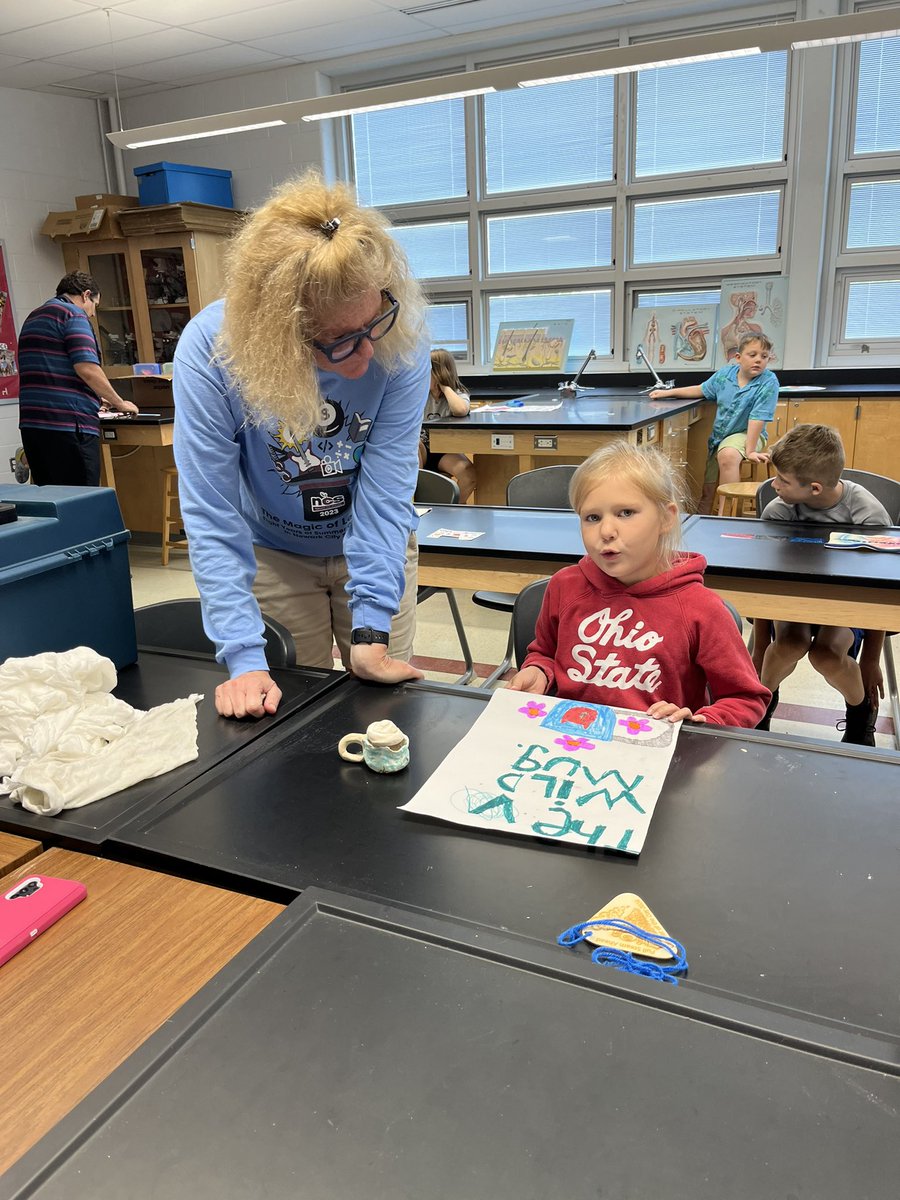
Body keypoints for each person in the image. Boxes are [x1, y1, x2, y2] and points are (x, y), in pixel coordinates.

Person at [173, 171, 431, 720]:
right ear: (278, 333)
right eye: (336, 342)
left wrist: (370, 626)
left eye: (372, 325)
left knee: (385, 715)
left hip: (376, 543)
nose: (364, 358)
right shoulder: (212, 351)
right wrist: (244, 657)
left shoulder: (401, 345)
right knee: (288, 716)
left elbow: (386, 495)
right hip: (274, 551)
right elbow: (211, 514)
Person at [507, 442, 770, 728]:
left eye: (626, 513)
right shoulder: (564, 586)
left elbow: (745, 698)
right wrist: (539, 671)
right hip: (571, 741)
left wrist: (700, 722)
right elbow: (545, 652)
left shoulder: (702, 610)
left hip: (655, 758)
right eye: (592, 518)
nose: (606, 531)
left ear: (666, 517)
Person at [754, 424, 889, 744]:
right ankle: (760, 707)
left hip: (847, 604)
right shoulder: (778, 512)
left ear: (814, 488)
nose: (774, 485)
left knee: (827, 654)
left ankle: (860, 717)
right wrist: (759, 646)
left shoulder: (868, 516)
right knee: (787, 645)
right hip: (792, 601)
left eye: (783, 480)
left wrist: (870, 658)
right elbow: (764, 582)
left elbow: (879, 591)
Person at [18, 271, 138, 485]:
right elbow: (87, 368)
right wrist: (121, 403)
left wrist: (97, 397)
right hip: (68, 426)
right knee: (82, 502)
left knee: (54, 502)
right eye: (94, 306)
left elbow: (52, 371)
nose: (92, 314)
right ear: (86, 295)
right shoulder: (73, 315)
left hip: (33, 425)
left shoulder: (34, 316)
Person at [649, 332, 778, 513]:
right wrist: (668, 393)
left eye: (764, 356)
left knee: (728, 455)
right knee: (709, 489)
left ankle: (728, 516)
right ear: (738, 358)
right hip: (719, 437)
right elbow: (701, 389)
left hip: (748, 434)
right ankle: (703, 518)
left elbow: (757, 418)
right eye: (753, 355)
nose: (759, 360)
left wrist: (750, 450)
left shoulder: (768, 381)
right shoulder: (725, 376)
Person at [418, 349, 476, 501]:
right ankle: (418, 503)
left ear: (439, 373)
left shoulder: (458, 393)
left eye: (428, 371)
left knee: (468, 474)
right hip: (420, 450)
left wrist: (445, 387)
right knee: (414, 443)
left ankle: (452, 510)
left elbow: (461, 410)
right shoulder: (419, 393)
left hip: (443, 451)